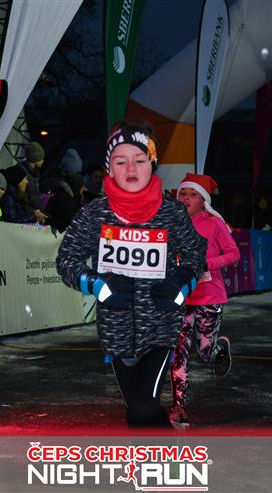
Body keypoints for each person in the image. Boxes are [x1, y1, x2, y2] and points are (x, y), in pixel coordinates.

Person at [56, 120, 206, 427]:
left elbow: (196, 255)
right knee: (137, 410)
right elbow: (66, 261)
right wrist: (98, 285)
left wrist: (179, 286)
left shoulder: (171, 213)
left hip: (160, 325)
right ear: (109, 167)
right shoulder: (95, 214)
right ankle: (154, 456)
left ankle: (160, 455)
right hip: (116, 329)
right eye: (120, 161)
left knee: (143, 405)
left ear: (152, 163)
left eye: (139, 160)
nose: (131, 169)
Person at [170, 173, 240, 426]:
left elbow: (233, 253)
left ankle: (218, 348)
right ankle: (178, 407)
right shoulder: (170, 223)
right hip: (180, 297)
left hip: (209, 295)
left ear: (204, 201)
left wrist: (207, 264)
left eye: (193, 195)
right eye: (182, 193)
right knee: (179, 353)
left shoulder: (214, 224)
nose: (186, 198)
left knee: (204, 353)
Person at [17, 141, 47, 224]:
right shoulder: (21, 174)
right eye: (41, 158)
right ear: (35, 159)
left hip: (33, 218)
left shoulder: (34, 174)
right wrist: (33, 213)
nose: (43, 161)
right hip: (26, 220)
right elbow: (22, 198)